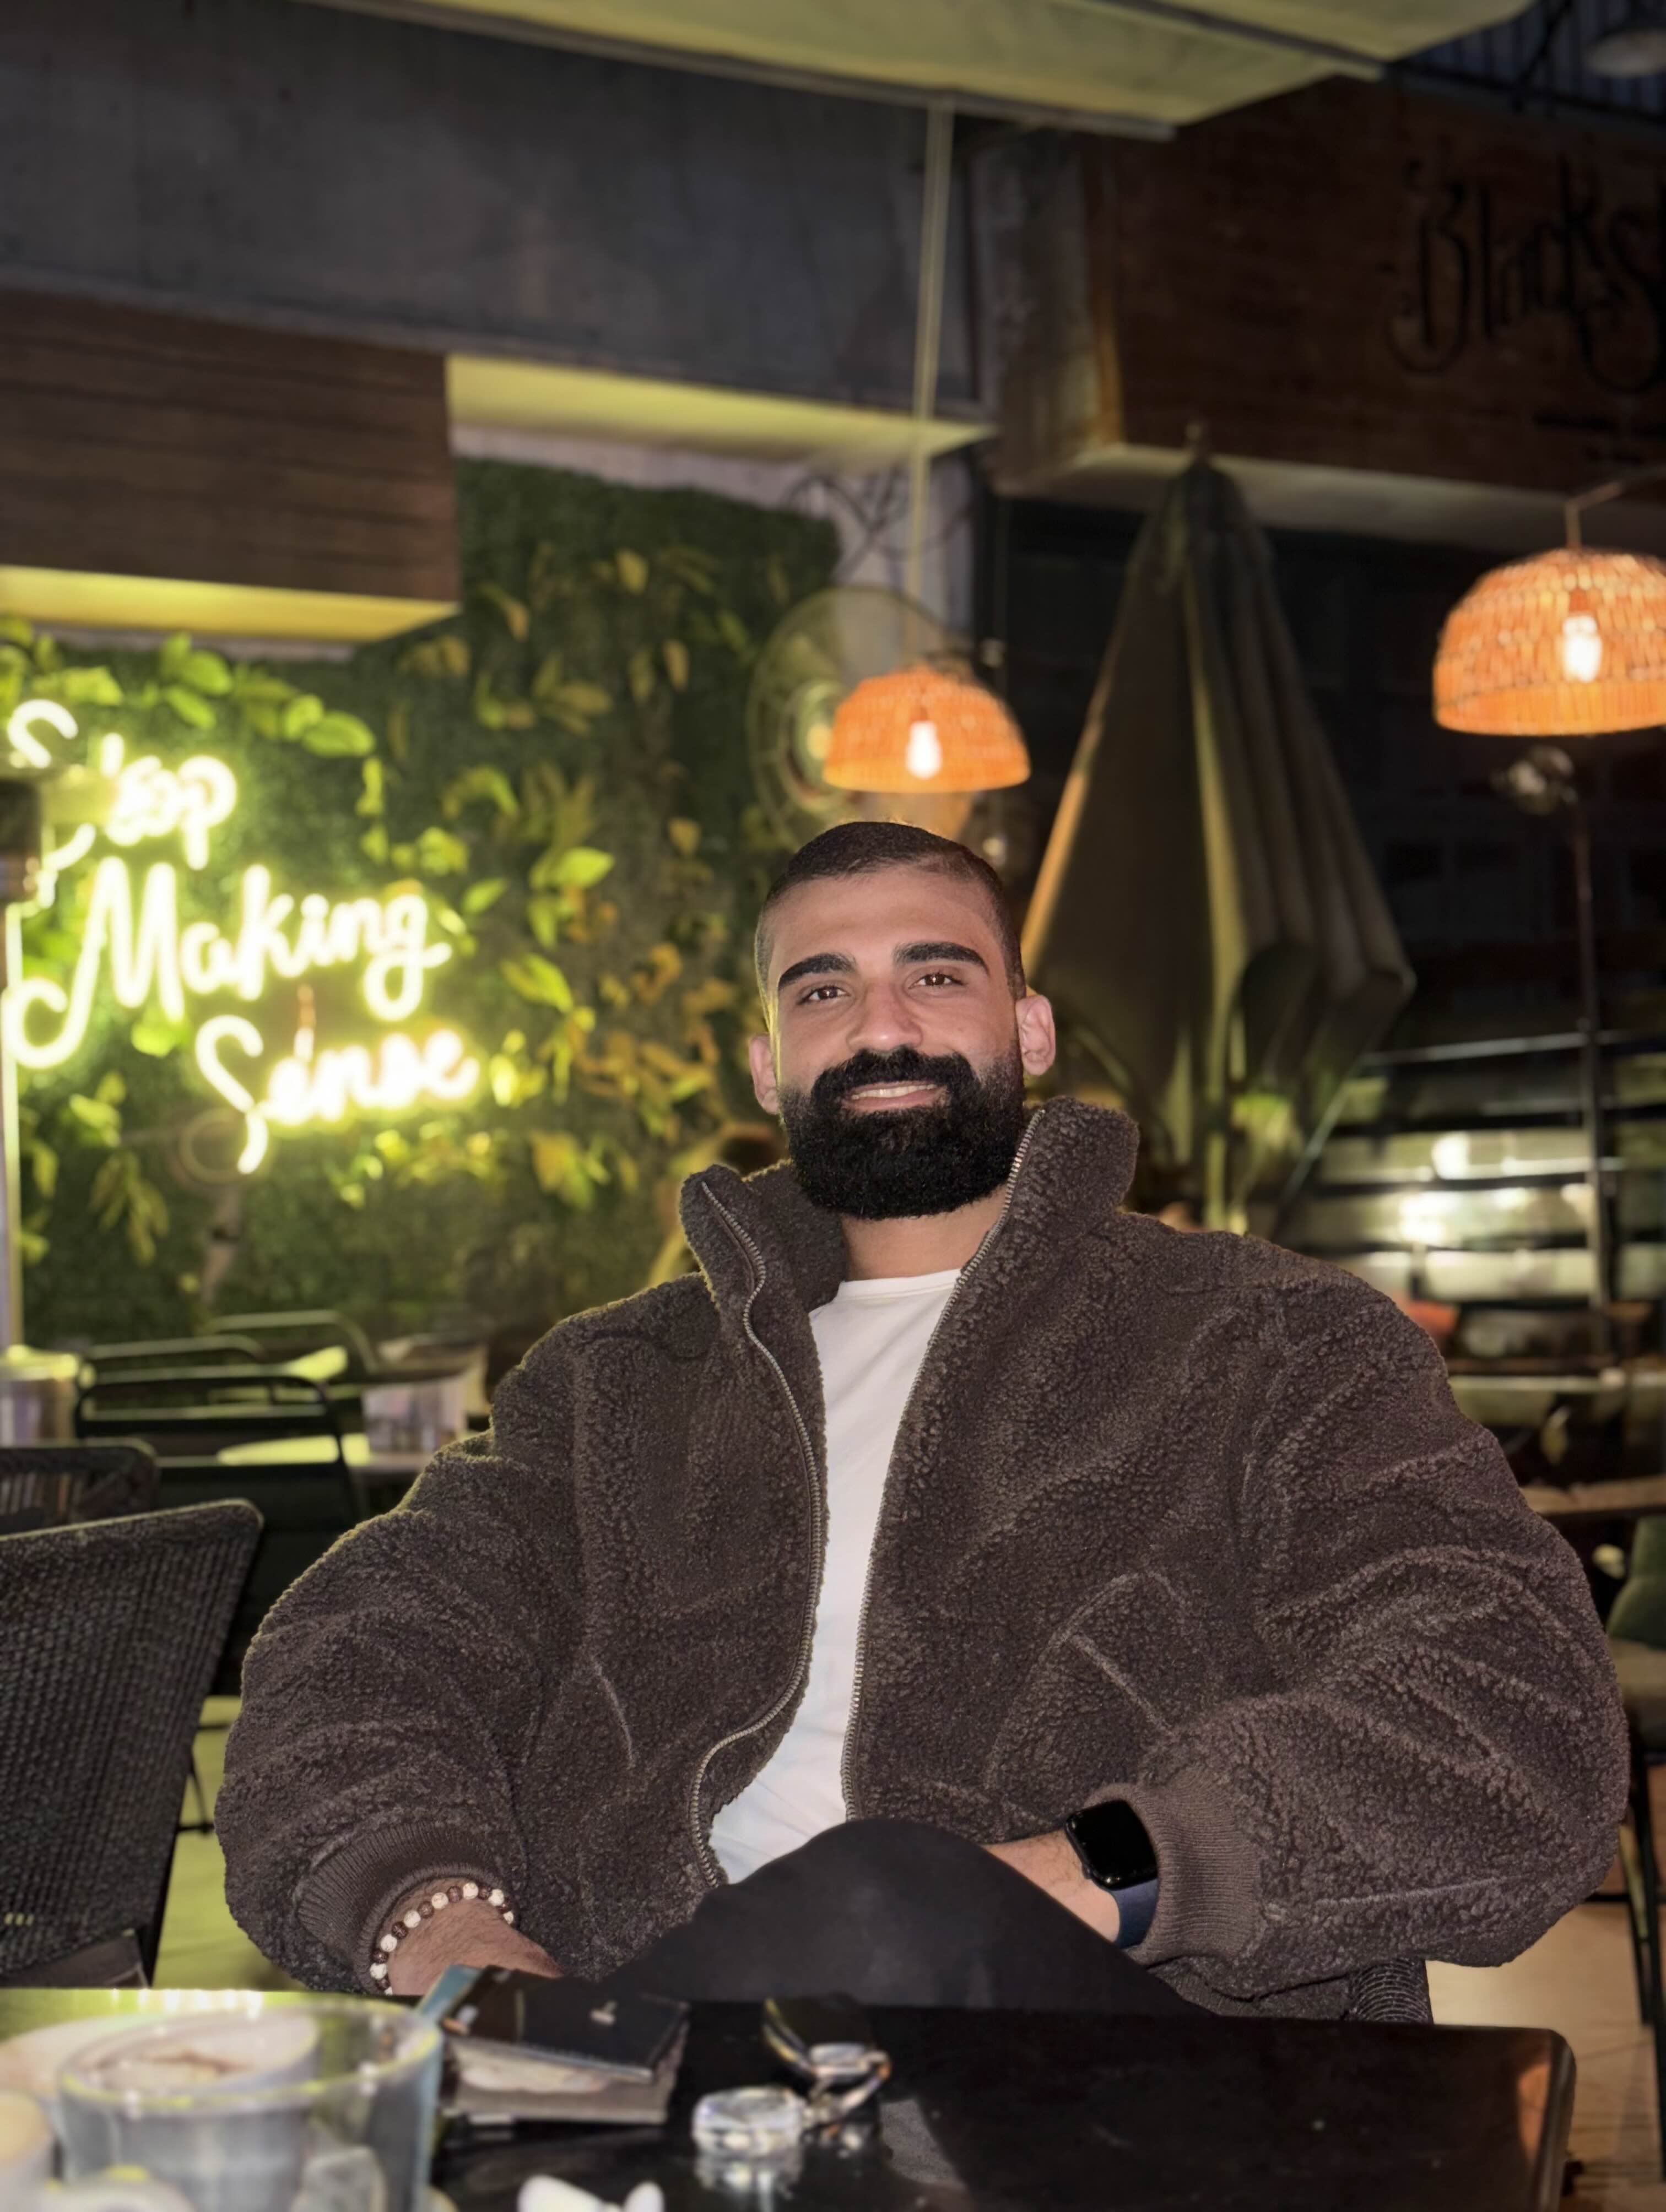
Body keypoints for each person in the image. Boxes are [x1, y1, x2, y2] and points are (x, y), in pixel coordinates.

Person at [219, 822, 1626, 2020]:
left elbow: (1507, 1707)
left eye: (936, 975)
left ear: (1030, 1030)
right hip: (653, 2038)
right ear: (767, 1065)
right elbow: (361, 1651)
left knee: (885, 1900)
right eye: (822, 989)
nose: (881, 1025)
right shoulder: (615, 1386)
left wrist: (1072, 1884)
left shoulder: (1268, 1342)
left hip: (1112, 2052)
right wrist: (451, 1938)